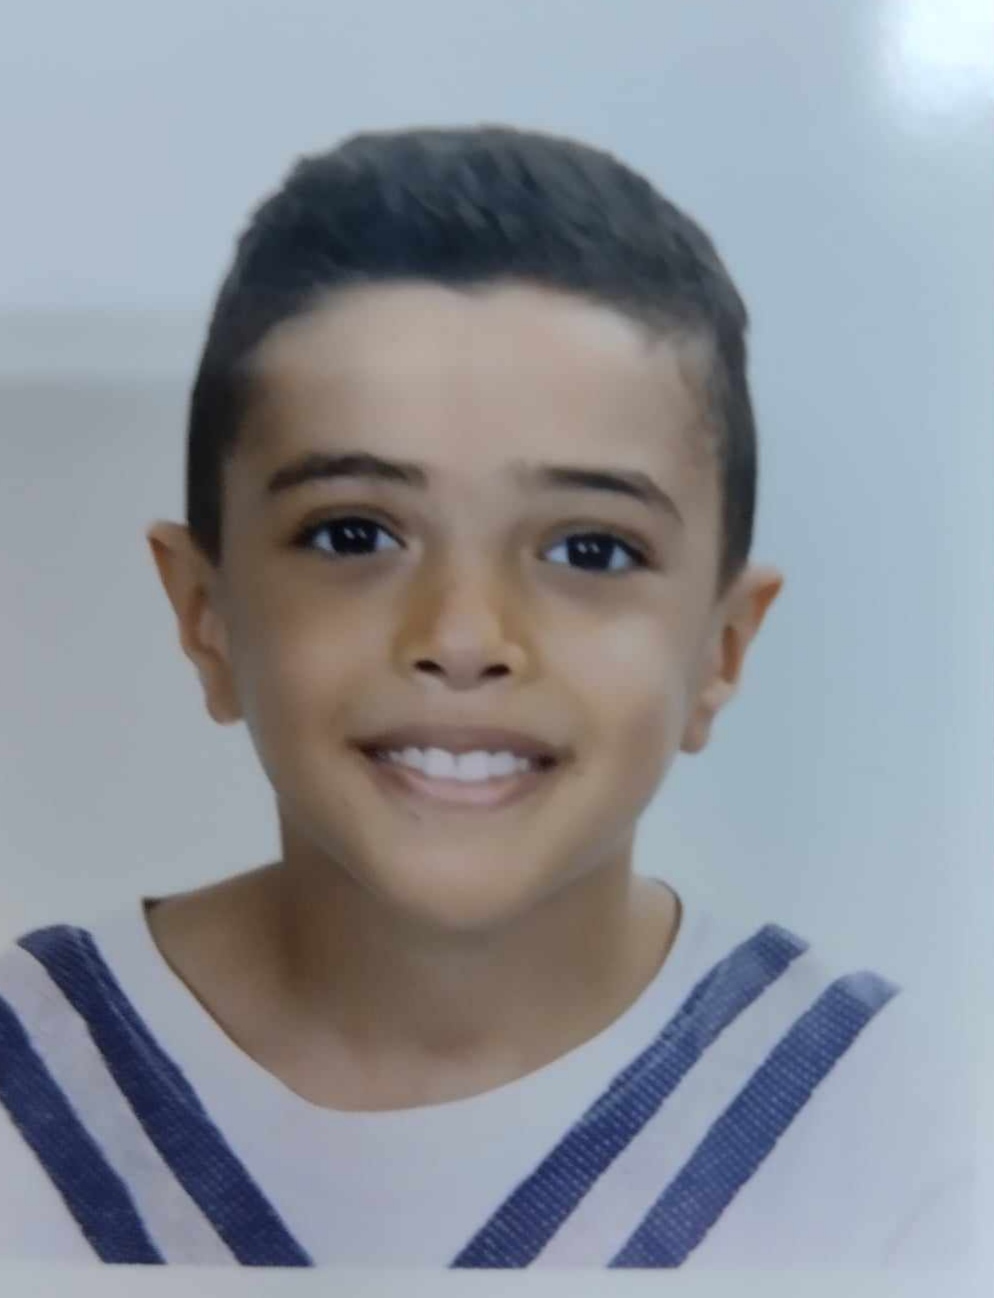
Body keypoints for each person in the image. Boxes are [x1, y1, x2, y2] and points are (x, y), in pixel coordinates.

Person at [0, 125, 973, 1269]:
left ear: (722, 646)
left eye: (590, 549)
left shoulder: (900, 1135)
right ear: (205, 611)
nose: (462, 636)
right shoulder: (29, 1095)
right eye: (353, 533)